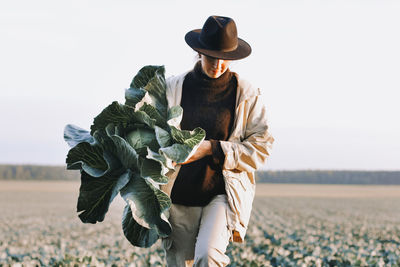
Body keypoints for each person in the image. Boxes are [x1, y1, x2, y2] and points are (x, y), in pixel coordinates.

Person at [161, 15, 274, 267]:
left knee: (208, 255)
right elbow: (149, 136)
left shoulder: (245, 94)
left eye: (225, 58)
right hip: (178, 196)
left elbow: (261, 147)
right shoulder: (173, 89)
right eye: (212, 57)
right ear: (198, 53)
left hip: (221, 193)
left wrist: (211, 149)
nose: (218, 64)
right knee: (181, 264)